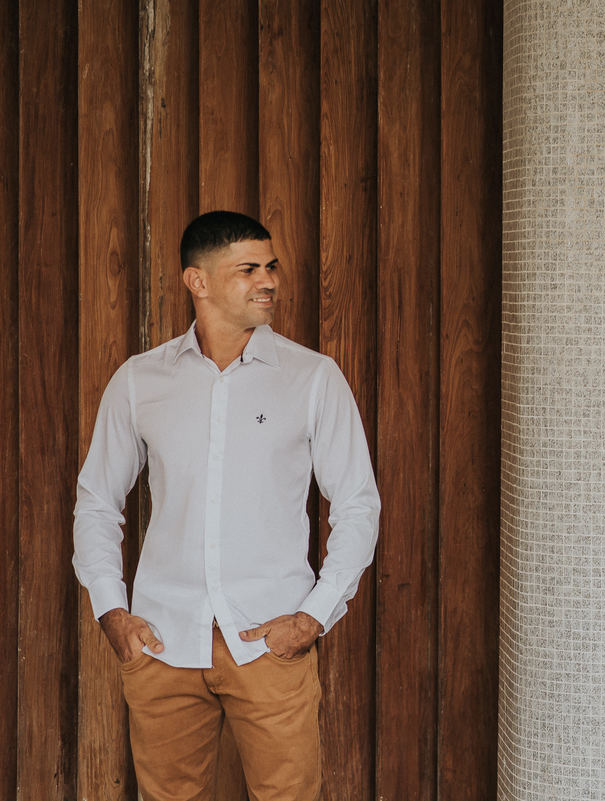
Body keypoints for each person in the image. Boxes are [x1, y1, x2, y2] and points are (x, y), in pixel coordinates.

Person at [73, 211, 380, 801]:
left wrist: (311, 619)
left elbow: (358, 506)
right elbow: (97, 503)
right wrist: (113, 612)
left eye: (271, 267)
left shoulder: (313, 378)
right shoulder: (140, 381)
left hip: (270, 643)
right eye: (248, 270)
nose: (269, 281)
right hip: (163, 643)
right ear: (199, 281)